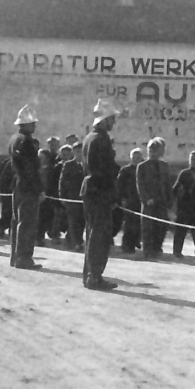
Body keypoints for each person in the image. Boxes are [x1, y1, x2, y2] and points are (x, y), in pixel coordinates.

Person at [80, 99, 119, 290]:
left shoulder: (90, 137)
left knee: (93, 233)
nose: (114, 122)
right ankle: (94, 276)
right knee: (100, 235)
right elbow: (103, 170)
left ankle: (89, 274)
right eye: (112, 118)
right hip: (99, 191)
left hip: (91, 189)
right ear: (104, 120)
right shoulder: (100, 139)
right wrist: (111, 194)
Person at [7, 105, 43, 269]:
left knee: (17, 222)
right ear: (26, 124)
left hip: (18, 184)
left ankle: (15, 256)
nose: (34, 126)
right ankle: (24, 258)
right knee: (27, 222)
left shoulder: (14, 139)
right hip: (28, 186)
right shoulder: (27, 142)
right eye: (33, 123)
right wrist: (39, 189)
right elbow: (31, 168)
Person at [137, 138, 173, 259]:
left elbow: (167, 184)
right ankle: (148, 251)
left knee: (161, 227)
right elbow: (140, 185)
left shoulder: (164, 165)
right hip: (149, 203)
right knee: (148, 228)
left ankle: (157, 248)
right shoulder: (142, 166)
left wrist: (169, 200)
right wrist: (146, 199)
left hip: (161, 201)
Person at [57, 142, 85, 251]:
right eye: (77, 152)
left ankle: (74, 239)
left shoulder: (87, 165)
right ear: (73, 152)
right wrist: (62, 196)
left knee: (82, 221)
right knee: (73, 221)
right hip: (71, 198)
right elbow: (62, 181)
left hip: (84, 199)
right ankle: (76, 242)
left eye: (81, 152)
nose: (79, 154)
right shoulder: (68, 165)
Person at [116, 148, 144, 253]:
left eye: (138, 158)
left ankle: (137, 240)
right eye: (134, 158)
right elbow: (119, 186)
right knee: (129, 224)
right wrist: (122, 199)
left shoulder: (143, 169)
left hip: (140, 200)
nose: (136, 160)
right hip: (129, 200)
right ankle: (127, 245)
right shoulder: (125, 170)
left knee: (139, 223)